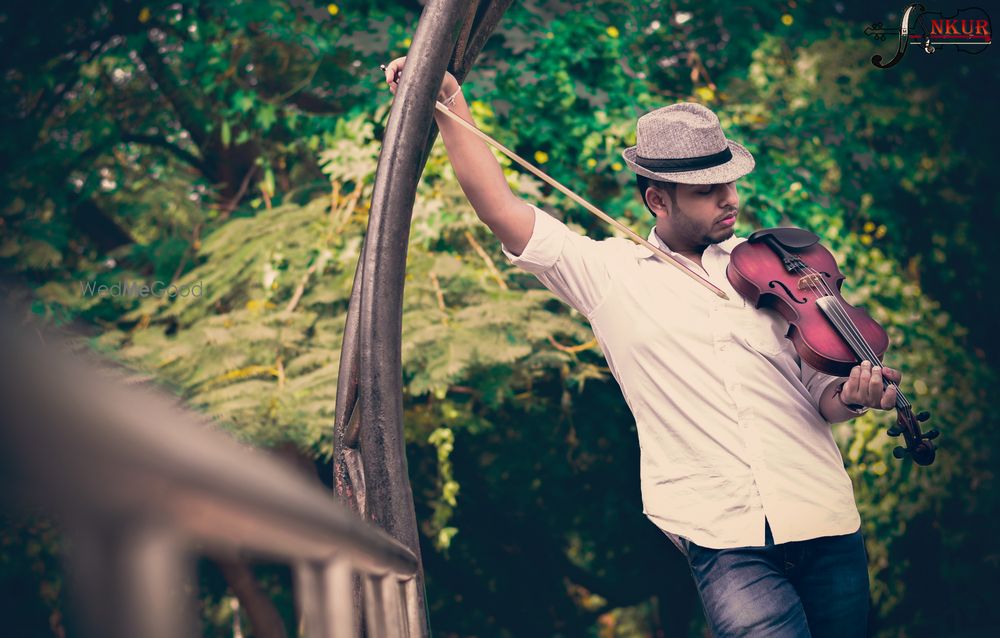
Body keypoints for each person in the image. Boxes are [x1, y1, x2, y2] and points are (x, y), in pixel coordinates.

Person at [383, 57, 900, 638]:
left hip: (823, 516)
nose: (730, 199)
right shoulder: (608, 274)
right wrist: (447, 98)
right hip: (723, 538)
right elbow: (499, 206)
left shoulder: (771, 271)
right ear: (658, 200)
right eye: (708, 191)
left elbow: (818, 394)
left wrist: (852, 395)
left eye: (730, 182)